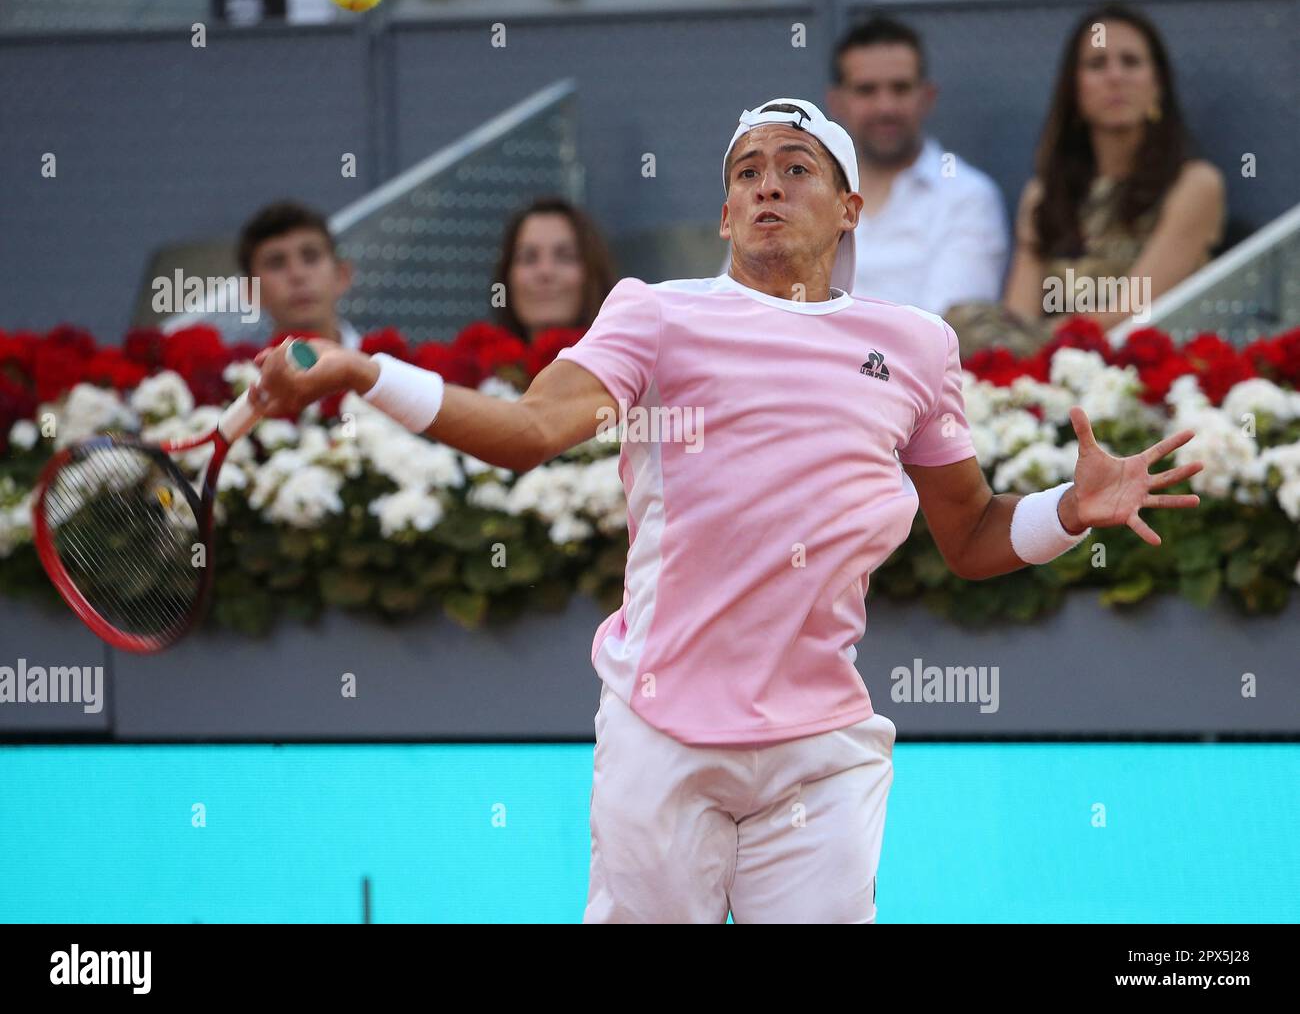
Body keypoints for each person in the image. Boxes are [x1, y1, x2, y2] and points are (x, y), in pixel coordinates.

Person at [247, 97, 1204, 924]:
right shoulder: (654, 315)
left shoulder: (913, 345)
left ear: (850, 209)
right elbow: (530, 430)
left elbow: (971, 533)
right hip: (662, 736)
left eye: (797, 169)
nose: (768, 187)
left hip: (821, 748)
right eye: (747, 173)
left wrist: (1068, 512)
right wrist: (367, 371)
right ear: (723, 212)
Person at [952, 3, 1225, 354]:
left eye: (1131, 62)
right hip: (1052, 367)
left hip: (1142, 367)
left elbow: (1129, 310)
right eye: (1097, 64)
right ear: (1074, 90)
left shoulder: (1194, 184)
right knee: (960, 324)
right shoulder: (1044, 192)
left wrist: (1033, 340)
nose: (1116, 77)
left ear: (1158, 86)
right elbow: (1019, 312)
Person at [824, 16, 1009, 314]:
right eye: (866, 90)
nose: (886, 107)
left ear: (927, 97)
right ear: (836, 102)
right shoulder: (798, 191)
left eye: (900, 88)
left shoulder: (968, 196)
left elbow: (947, 332)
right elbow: (745, 300)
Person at [161, 200, 362, 349]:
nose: (297, 275)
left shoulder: (387, 367)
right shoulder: (237, 386)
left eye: (310, 257)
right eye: (276, 263)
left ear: (342, 275)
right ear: (251, 291)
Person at [489, 197, 616, 342]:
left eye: (565, 257)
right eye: (529, 258)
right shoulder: (471, 360)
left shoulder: (630, 362)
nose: (545, 271)